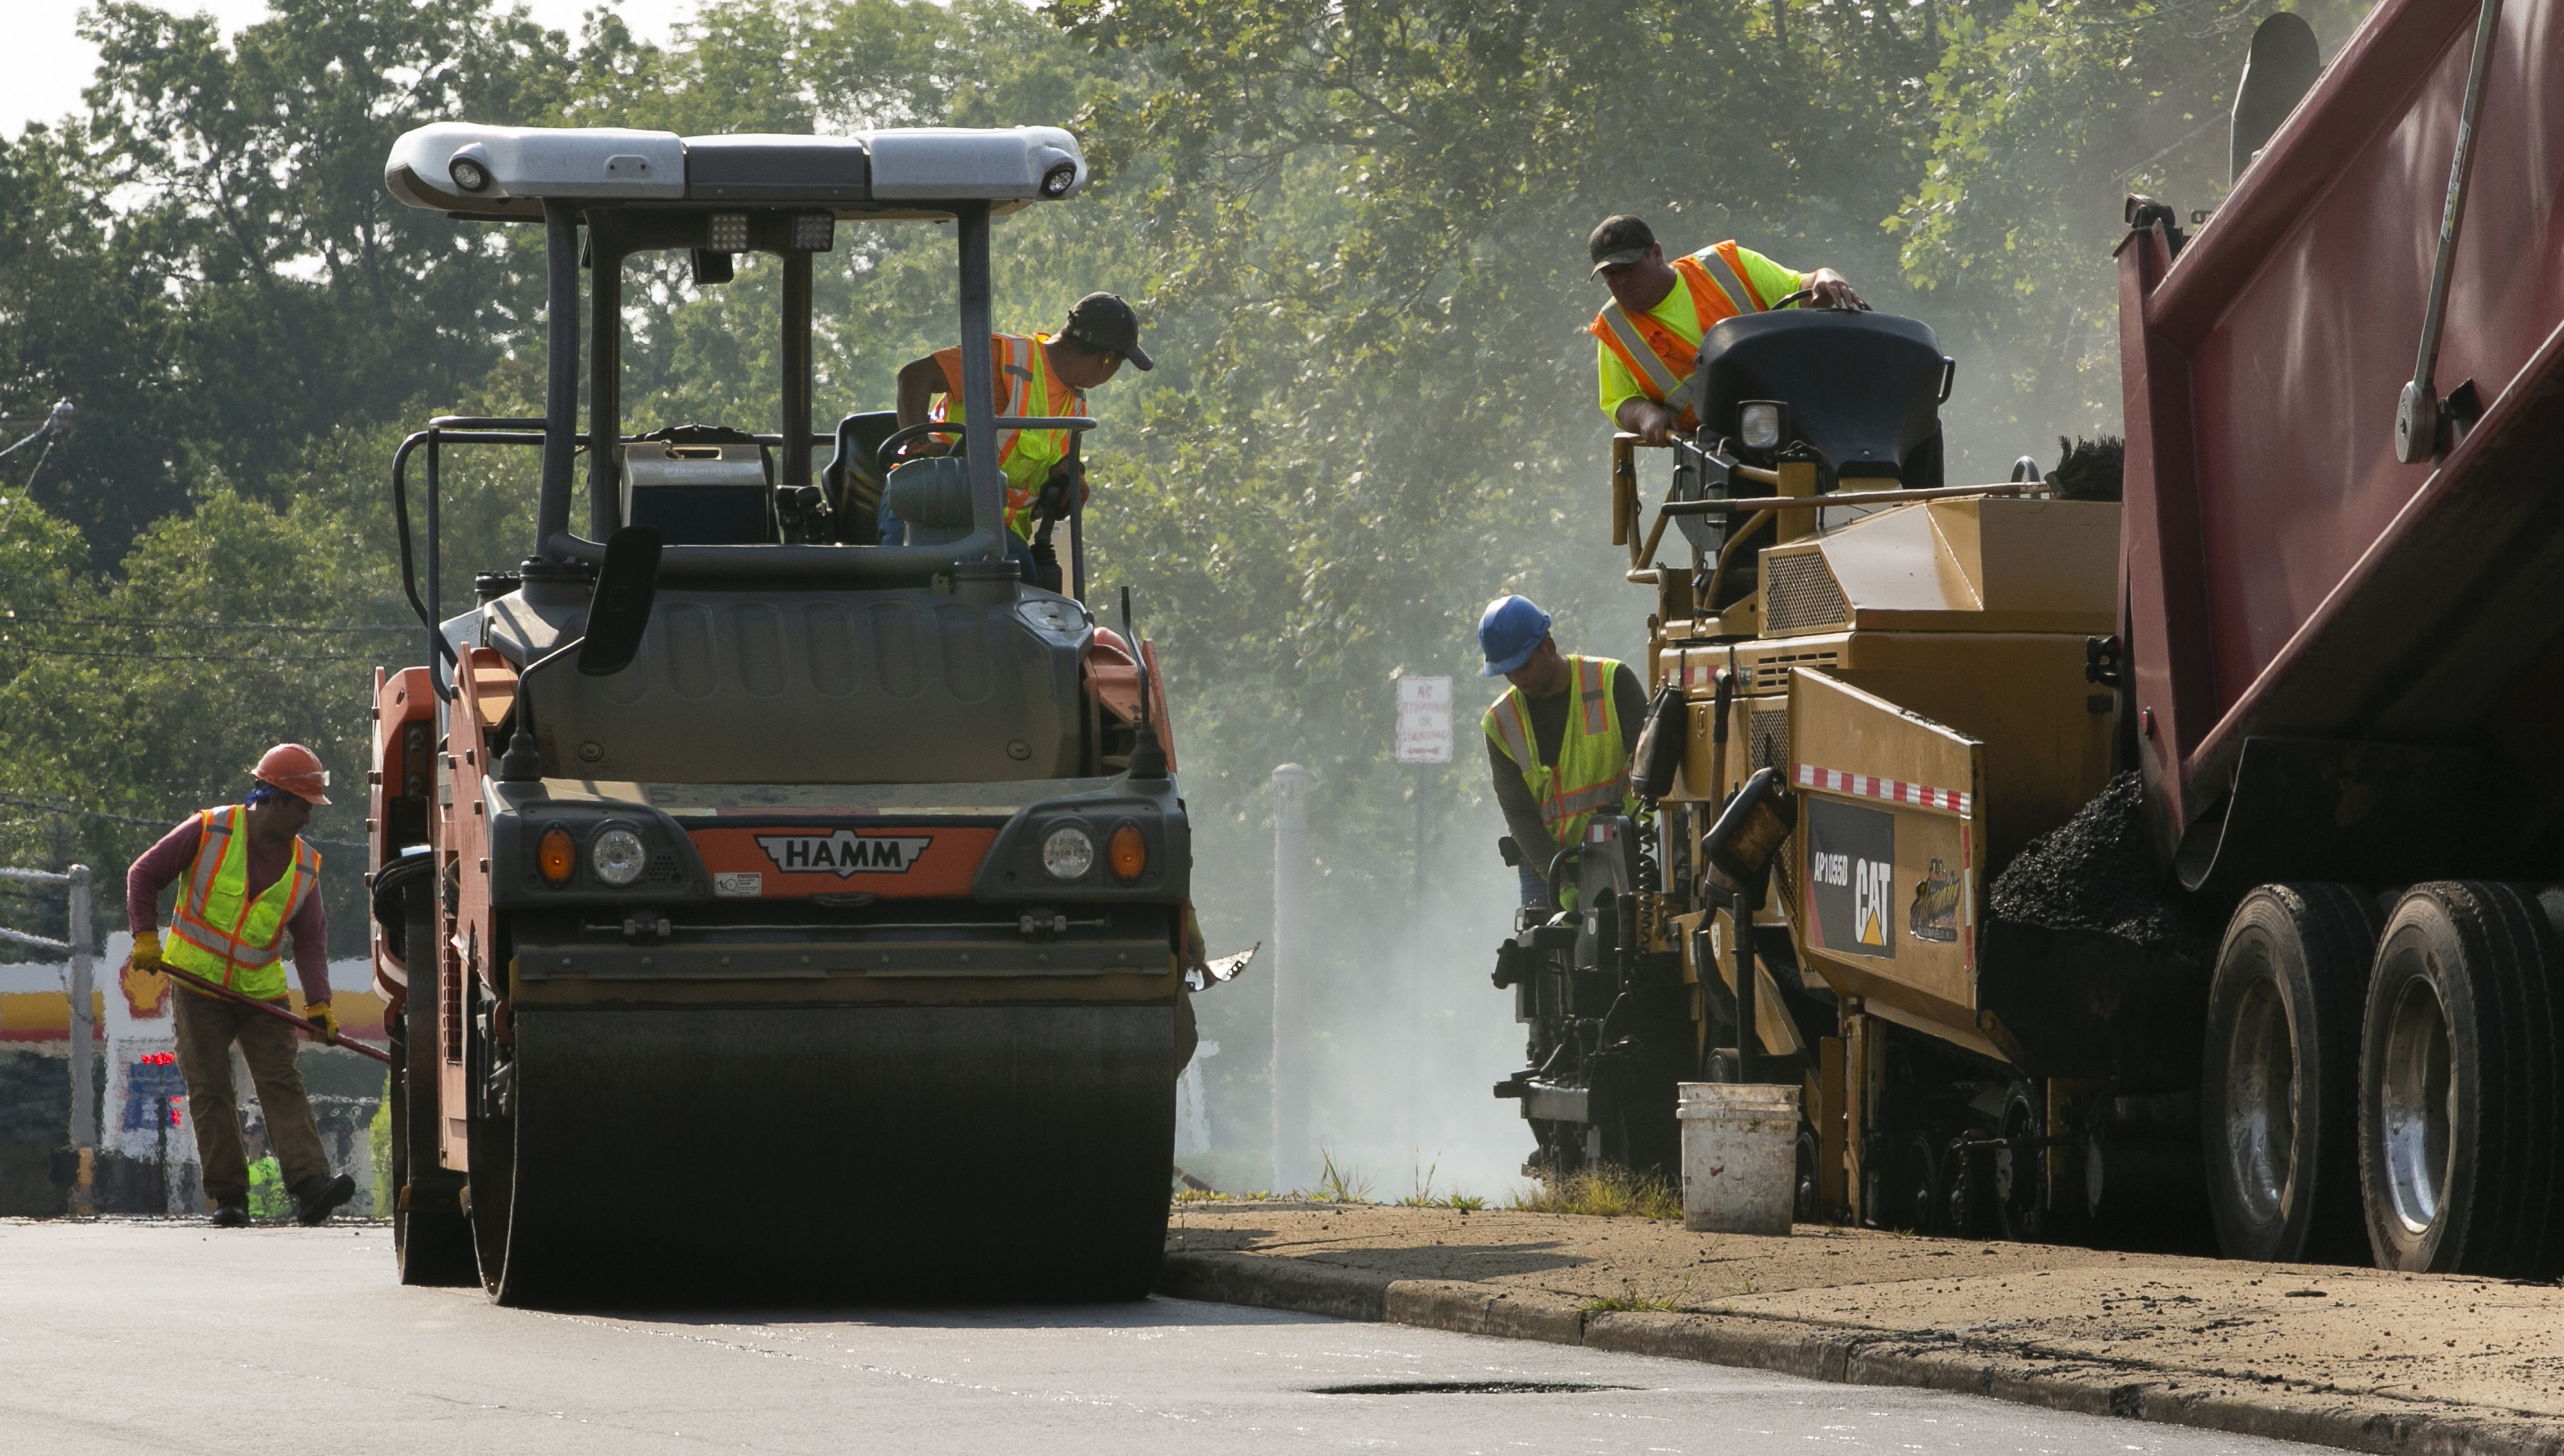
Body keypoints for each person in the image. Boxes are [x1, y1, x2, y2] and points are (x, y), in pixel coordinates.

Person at [126, 744, 355, 1228]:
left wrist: (320, 1004)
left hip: (260, 991)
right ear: (273, 798)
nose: (308, 820)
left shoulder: (305, 867)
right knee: (210, 1089)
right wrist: (145, 936)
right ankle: (230, 1198)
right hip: (199, 987)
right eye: (303, 807)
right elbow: (143, 874)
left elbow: (311, 941)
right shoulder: (210, 829)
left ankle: (311, 1186)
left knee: (280, 1081)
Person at [889, 291, 1153, 587]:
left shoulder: (1074, 401)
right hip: (924, 511)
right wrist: (919, 446)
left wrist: (1071, 478)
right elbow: (914, 376)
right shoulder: (1007, 361)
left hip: (994, 530)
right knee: (1016, 579)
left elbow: (1053, 461)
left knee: (1026, 579)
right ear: (1107, 359)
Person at [1587, 214, 1863, 447]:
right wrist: (1644, 413)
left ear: (1657, 254)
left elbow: (1805, 289)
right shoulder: (1615, 330)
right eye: (1610, 274)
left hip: (1805, 419)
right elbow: (1619, 401)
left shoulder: (1728, 265)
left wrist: (1827, 276)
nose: (1621, 280)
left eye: (1628, 267)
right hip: (1715, 453)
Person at [1478, 595, 1647, 909]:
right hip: (1546, 864)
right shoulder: (1501, 724)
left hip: (1621, 849)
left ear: (1549, 647)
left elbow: (1649, 770)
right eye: (1508, 672)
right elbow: (1519, 814)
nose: (1518, 679)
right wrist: (1562, 885)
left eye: (1524, 666)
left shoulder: (1612, 683)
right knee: (1544, 950)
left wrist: (1639, 835)